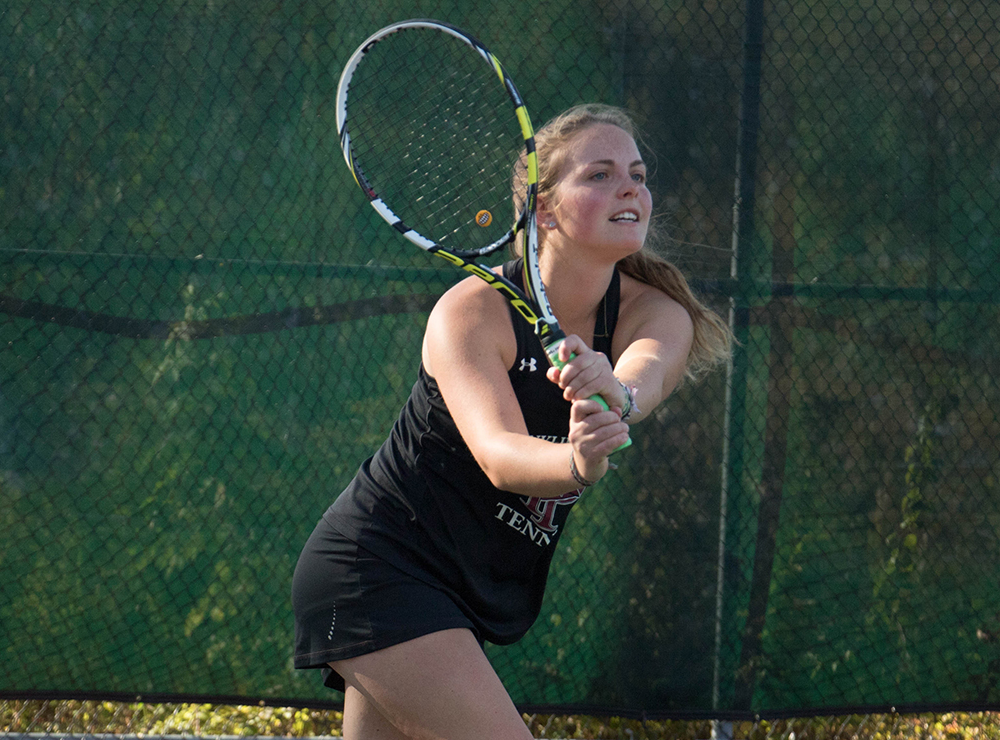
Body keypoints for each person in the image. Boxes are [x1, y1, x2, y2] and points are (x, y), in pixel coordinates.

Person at [291, 103, 731, 739]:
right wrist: (577, 461)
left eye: (636, 173)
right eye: (600, 174)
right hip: (375, 569)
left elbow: (645, 376)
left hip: (455, 592)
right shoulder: (472, 313)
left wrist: (615, 395)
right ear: (545, 209)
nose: (630, 186)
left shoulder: (657, 311)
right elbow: (500, 455)